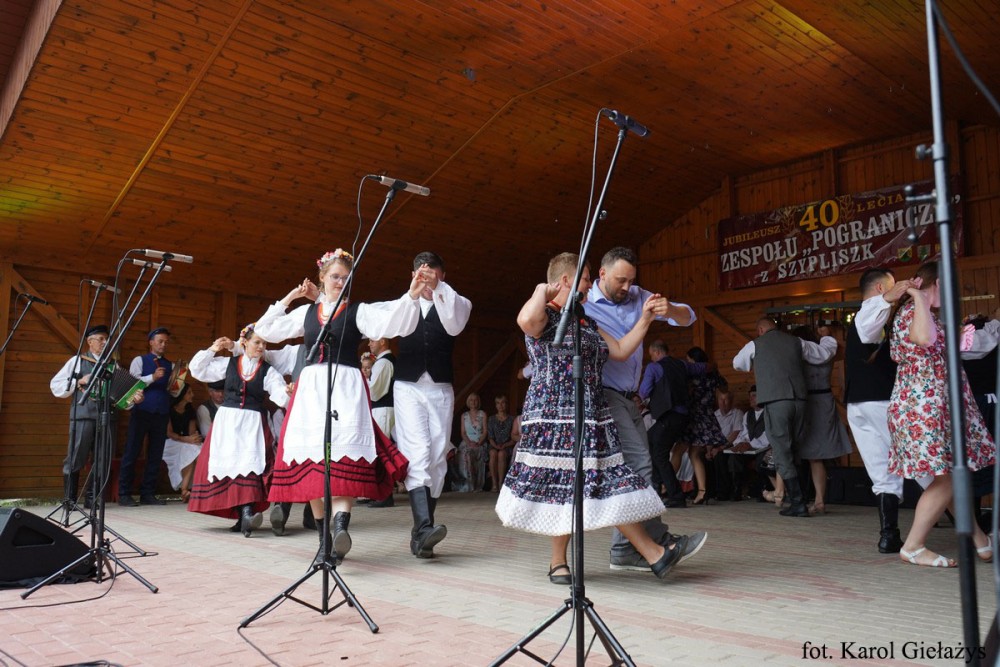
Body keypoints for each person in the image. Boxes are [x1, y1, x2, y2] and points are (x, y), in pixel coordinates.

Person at [496, 252, 687, 583]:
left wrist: (645, 319)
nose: (589, 284)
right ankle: (569, 561)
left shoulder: (585, 320)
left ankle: (652, 554)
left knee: (603, 481)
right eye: (585, 279)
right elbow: (526, 321)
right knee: (567, 484)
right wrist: (543, 289)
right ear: (566, 281)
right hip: (555, 415)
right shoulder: (545, 315)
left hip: (592, 412)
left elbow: (621, 350)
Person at [253, 249, 419, 562]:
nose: (340, 282)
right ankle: (324, 540)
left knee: (344, 458)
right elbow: (264, 329)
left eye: (345, 278)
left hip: (345, 387)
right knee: (313, 464)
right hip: (312, 390)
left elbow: (391, 319)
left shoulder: (358, 311)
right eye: (334, 277)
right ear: (322, 278)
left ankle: (340, 526)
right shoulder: (306, 314)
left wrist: (410, 295)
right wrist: (290, 298)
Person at [583, 247, 707, 570]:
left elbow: (688, 317)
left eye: (631, 280)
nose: (627, 287)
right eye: (621, 280)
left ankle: (625, 549)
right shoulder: (585, 306)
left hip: (629, 397)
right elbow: (620, 352)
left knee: (636, 467)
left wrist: (671, 309)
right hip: (604, 394)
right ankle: (656, 540)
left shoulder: (638, 295)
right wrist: (646, 319)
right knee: (639, 464)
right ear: (602, 274)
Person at [887, 261, 995, 567]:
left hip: (929, 405)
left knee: (949, 478)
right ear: (932, 283)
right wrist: (918, 297)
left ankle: (980, 541)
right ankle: (913, 546)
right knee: (948, 478)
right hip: (926, 407)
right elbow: (924, 339)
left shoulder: (920, 312)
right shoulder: (914, 309)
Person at [393, 251, 472, 559]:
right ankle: (425, 527)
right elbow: (388, 324)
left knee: (438, 455)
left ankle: (420, 535)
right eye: (421, 277)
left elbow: (456, 323)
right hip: (408, 387)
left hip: (440, 387)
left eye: (432, 277)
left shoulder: (456, 303)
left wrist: (438, 287)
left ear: (442, 276)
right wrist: (414, 293)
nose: (426, 283)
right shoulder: (405, 304)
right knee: (418, 451)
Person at [850, 268, 931, 552]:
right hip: (882, 402)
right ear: (880, 288)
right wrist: (888, 299)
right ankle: (969, 529)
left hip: (859, 404)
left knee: (883, 472)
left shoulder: (879, 314)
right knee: (922, 464)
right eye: (894, 285)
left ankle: (889, 536)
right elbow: (866, 328)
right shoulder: (872, 313)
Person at [187, 325, 290, 536]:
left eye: (264, 343)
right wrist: (213, 349)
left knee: (250, 466)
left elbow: (279, 393)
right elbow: (197, 369)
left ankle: (247, 512)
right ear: (244, 343)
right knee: (230, 465)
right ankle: (242, 515)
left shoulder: (268, 371)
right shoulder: (229, 363)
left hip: (253, 423)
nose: (261, 347)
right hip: (228, 421)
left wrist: (287, 392)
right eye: (257, 342)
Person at [732, 318, 837, 516]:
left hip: (776, 401)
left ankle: (797, 502)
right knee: (795, 449)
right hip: (800, 401)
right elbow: (823, 354)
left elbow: (737, 364)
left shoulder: (756, 344)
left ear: (760, 329)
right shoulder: (797, 342)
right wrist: (827, 337)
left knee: (781, 450)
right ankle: (800, 498)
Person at [49, 324, 131, 508]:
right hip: (83, 416)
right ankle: (69, 499)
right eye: (100, 339)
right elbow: (56, 385)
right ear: (89, 341)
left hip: (108, 418)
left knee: (102, 459)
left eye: (106, 339)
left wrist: (133, 398)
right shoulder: (77, 361)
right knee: (76, 456)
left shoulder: (114, 366)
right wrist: (79, 380)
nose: (104, 342)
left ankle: (92, 499)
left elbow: (122, 396)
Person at [791, 324, 852, 515]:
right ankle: (819, 500)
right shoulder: (826, 351)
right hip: (825, 399)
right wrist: (828, 335)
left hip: (808, 401)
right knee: (816, 457)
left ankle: (789, 495)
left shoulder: (799, 354)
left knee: (811, 455)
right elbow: (842, 349)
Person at [637, 339, 706, 507]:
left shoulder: (654, 367)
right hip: (682, 416)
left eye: (651, 355)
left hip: (668, 415)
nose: (651, 358)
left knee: (659, 454)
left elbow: (644, 391)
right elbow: (703, 367)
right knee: (650, 439)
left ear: (656, 352)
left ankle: (676, 496)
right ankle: (656, 486)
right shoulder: (682, 364)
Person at [119, 327, 173, 507]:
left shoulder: (170, 365)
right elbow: (132, 383)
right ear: (151, 342)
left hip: (161, 413)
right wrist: (152, 377)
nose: (163, 345)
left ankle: (147, 493)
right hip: (141, 411)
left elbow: (171, 389)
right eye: (160, 341)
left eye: (166, 342)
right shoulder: (139, 360)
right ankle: (124, 494)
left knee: (155, 455)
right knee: (132, 451)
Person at [672, 347, 727, 505]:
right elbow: (725, 388)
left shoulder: (692, 376)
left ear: (693, 360)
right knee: (694, 454)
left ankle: (665, 485)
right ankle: (702, 491)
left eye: (688, 359)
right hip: (707, 416)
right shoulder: (713, 375)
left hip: (692, 416)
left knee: (678, 450)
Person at [365, 337, 398, 507]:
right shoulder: (382, 362)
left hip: (383, 410)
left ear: (383, 341)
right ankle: (378, 492)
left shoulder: (384, 363)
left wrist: (363, 381)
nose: (369, 344)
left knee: (382, 452)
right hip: (380, 410)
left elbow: (374, 392)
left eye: (372, 340)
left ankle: (385, 495)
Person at [161, 384, 203, 502]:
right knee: (189, 450)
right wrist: (187, 439)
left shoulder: (190, 410)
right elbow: (169, 433)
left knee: (199, 450)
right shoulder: (169, 410)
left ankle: (188, 489)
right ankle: (186, 489)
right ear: (181, 394)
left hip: (185, 443)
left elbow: (191, 432)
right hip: (170, 443)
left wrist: (194, 438)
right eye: (189, 393)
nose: (192, 395)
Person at [705, 389, 745, 500]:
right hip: (716, 446)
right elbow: (710, 435)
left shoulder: (737, 413)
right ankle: (707, 492)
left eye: (726, 399)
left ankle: (723, 492)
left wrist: (720, 448)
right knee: (704, 457)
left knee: (719, 456)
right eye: (721, 399)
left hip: (730, 445)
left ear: (731, 401)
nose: (723, 402)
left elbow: (735, 433)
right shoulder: (714, 415)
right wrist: (708, 450)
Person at [458, 392, 488, 492]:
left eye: (475, 400)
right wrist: (469, 443)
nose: (473, 402)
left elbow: (485, 431)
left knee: (477, 452)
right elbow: (463, 433)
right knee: (466, 453)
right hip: (467, 442)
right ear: (468, 402)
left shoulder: (483, 414)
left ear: (478, 402)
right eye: (471, 400)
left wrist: (479, 442)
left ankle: (477, 485)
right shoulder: (464, 415)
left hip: (480, 442)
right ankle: (469, 484)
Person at [487, 395, 516, 493]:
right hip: (494, 445)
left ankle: (501, 482)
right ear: (495, 405)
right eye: (498, 403)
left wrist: (505, 445)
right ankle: (494, 483)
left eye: (503, 402)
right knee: (493, 453)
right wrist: (495, 445)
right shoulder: (491, 419)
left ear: (506, 404)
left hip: (507, 446)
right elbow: (490, 437)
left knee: (501, 454)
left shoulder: (512, 419)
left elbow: (513, 437)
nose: (500, 405)